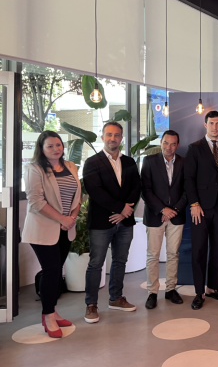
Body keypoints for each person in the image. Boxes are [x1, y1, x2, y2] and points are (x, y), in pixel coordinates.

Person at [22, 131, 81, 338]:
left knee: (57, 271)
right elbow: (36, 201)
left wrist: (71, 217)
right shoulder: (34, 168)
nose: (56, 149)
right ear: (41, 148)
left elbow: (77, 196)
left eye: (58, 145)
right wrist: (62, 219)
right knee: (51, 271)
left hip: (66, 228)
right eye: (50, 146)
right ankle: (48, 316)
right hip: (43, 228)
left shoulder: (70, 166)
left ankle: (53, 311)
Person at [82, 121, 141, 324]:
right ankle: (91, 304)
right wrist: (120, 208)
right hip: (102, 221)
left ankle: (116, 298)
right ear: (102, 137)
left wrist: (124, 212)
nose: (112, 138)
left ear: (121, 138)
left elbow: (136, 187)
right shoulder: (92, 162)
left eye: (116, 135)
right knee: (96, 263)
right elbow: (95, 191)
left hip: (125, 221)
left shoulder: (129, 162)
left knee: (120, 261)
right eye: (109, 134)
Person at [184, 111, 218, 310]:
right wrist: (194, 204)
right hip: (201, 209)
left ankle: (213, 287)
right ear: (205, 125)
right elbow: (189, 179)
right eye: (212, 123)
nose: (215, 127)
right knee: (198, 250)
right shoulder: (194, 148)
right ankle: (199, 293)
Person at [141, 130, 187, 309]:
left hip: (176, 216)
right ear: (161, 142)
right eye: (166, 143)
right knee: (153, 255)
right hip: (155, 216)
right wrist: (162, 209)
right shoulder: (149, 161)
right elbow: (145, 190)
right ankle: (152, 292)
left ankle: (170, 289)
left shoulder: (184, 162)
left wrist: (174, 210)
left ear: (178, 145)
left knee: (173, 254)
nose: (169, 147)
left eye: (173, 144)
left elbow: (187, 190)